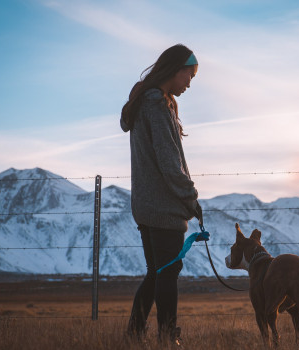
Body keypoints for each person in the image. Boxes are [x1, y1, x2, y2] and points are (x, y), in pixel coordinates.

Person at [120, 44, 203, 345]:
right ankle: (168, 337)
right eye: (189, 76)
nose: (189, 84)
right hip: (163, 207)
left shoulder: (145, 102)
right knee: (167, 273)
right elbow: (170, 164)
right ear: (176, 69)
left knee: (157, 272)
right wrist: (191, 198)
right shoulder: (156, 105)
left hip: (145, 205)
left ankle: (134, 333)